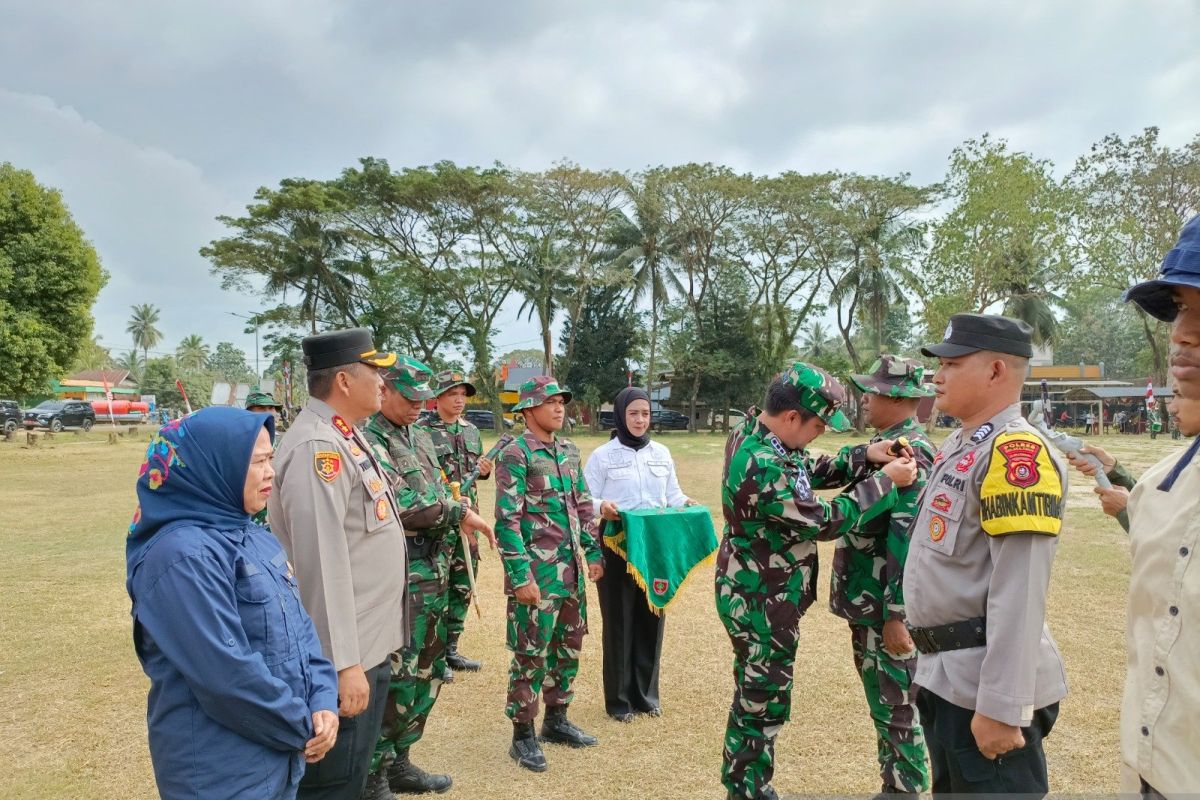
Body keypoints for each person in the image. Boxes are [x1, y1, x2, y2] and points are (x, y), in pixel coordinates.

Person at [716, 363, 918, 800]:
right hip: (760, 597)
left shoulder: (757, 432)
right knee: (760, 698)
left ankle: (750, 783)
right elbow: (823, 520)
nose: (821, 434)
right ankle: (746, 789)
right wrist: (885, 481)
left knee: (759, 692)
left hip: (759, 589)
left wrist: (865, 456)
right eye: (819, 424)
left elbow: (807, 468)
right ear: (791, 417)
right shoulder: (763, 464)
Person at [125, 407, 339, 799]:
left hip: (278, 752)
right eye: (258, 462)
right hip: (221, 769)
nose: (270, 472)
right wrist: (305, 725)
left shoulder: (251, 534)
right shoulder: (180, 557)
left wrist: (324, 699)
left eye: (270, 458)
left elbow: (301, 627)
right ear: (214, 467)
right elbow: (225, 676)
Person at [904, 314, 1069, 797]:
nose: (936, 375)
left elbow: (1021, 589)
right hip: (945, 676)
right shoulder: (964, 444)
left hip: (982, 686)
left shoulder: (1017, 453)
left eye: (952, 364)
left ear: (997, 371)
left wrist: (1002, 706)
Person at [1068, 214, 1200, 799]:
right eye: (1181, 308)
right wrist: (1116, 476)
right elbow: (1167, 546)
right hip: (1153, 767)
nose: (1182, 335)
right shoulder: (1171, 474)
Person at [266, 328, 408, 800]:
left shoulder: (345, 435)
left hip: (366, 643)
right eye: (375, 372)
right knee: (331, 784)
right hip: (344, 655)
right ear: (344, 381)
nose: (384, 382)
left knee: (351, 775)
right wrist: (341, 665)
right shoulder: (317, 448)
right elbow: (321, 565)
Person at [363, 356, 494, 795]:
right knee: (398, 672)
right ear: (385, 391)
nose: (420, 405)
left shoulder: (418, 436)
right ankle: (374, 772)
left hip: (436, 567)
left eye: (424, 397)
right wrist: (459, 512)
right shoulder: (369, 439)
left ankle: (401, 759)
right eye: (411, 397)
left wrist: (449, 508)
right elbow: (402, 505)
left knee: (430, 668)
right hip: (402, 572)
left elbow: (436, 489)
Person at [831, 356, 937, 796]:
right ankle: (893, 784)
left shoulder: (912, 451)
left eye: (873, 391)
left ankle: (905, 789)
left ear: (899, 397)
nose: (866, 398)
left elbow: (908, 534)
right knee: (883, 700)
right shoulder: (885, 444)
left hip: (883, 603)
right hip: (867, 599)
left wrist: (897, 612)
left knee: (896, 704)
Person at [494, 376, 605, 772]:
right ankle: (522, 735)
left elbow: (585, 507)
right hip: (537, 576)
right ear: (527, 409)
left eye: (561, 401)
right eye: (549, 402)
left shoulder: (570, 451)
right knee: (530, 654)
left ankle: (556, 721)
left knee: (568, 648)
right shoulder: (516, 453)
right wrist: (521, 577)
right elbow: (507, 520)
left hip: (571, 572)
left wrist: (593, 553)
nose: (559, 408)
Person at [584, 386, 693, 723]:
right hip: (617, 544)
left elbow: (673, 495)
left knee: (652, 618)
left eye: (645, 413)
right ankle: (619, 701)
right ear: (620, 415)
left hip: (655, 547)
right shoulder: (603, 456)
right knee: (619, 621)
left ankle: (646, 696)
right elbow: (583, 498)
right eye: (633, 413)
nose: (640, 419)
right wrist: (601, 506)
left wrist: (686, 503)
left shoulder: (661, 453)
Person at [421, 369, 494, 678]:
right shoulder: (421, 431)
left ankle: (451, 649)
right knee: (438, 588)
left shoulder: (471, 431)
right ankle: (434, 657)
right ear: (437, 398)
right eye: (453, 394)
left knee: (463, 586)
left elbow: (479, 473)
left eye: (463, 394)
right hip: (438, 521)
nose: (460, 399)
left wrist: (486, 470)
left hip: (468, 521)